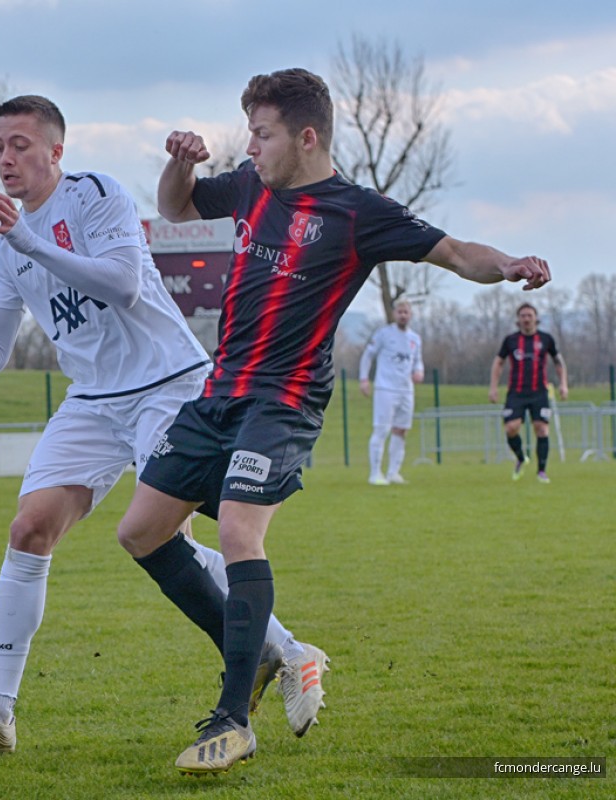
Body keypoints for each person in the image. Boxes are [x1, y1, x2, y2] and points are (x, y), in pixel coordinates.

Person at [116, 67, 551, 776]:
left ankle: (232, 721)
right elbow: (177, 205)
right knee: (140, 532)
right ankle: (257, 654)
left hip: (284, 400)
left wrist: (509, 266)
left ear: (306, 136)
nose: (250, 147)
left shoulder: (358, 211)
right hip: (219, 390)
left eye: (262, 133)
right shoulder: (252, 184)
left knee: (234, 529)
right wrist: (180, 163)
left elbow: (453, 252)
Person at [0, 94, 327, 758]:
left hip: (168, 385)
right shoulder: (7, 250)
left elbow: (120, 283)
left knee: (164, 532)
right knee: (29, 529)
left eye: (21, 145)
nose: (6, 157)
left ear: (57, 152)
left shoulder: (95, 197)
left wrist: (28, 238)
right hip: (92, 401)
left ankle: (291, 652)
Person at [488, 302, 568, 482]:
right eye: (522, 315)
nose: (526, 319)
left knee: (541, 429)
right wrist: (493, 387)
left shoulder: (546, 339)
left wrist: (563, 384)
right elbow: (498, 363)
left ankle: (541, 471)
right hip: (516, 392)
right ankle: (520, 457)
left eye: (529, 315)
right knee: (511, 428)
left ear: (535, 318)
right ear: (518, 319)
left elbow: (558, 362)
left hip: (539, 392)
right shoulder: (511, 340)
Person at [359, 298, 424, 485]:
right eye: (400, 312)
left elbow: (417, 360)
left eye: (406, 312)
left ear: (411, 315)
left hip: (406, 390)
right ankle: (374, 473)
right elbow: (368, 355)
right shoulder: (383, 334)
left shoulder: (415, 339)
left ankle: (393, 472)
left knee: (401, 430)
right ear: (394, 314)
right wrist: (364, 379)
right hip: (385, 388)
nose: (403, 315)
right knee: (381, 429)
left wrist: (419, 371)